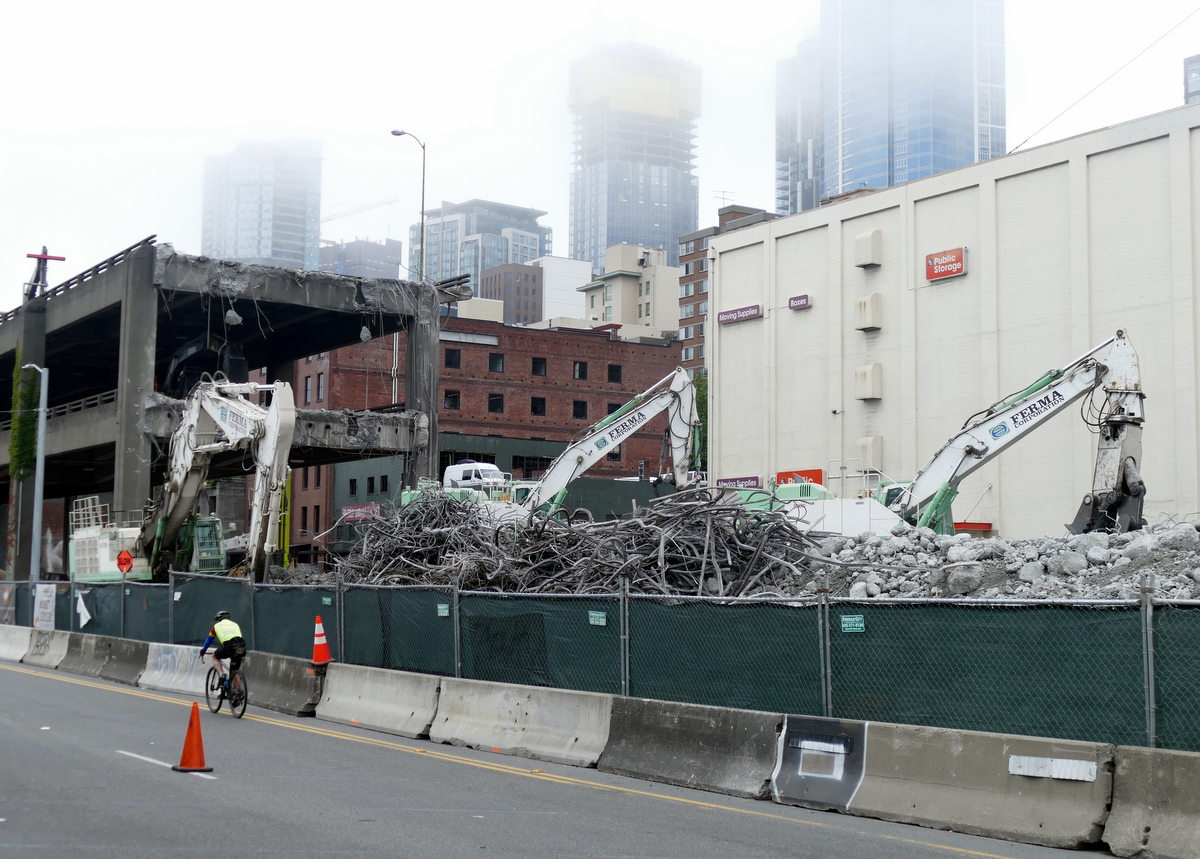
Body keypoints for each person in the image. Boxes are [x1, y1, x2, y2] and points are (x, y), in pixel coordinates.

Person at [198, 610, 246, 685]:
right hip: (241, 646)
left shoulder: (217, 626)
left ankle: (221, 675)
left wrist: (203, 650)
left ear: (218, 619)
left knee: (215, 656)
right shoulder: (235, 624)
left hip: (229, 646)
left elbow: (208, 640)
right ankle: (237, 693)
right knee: (235, 670)